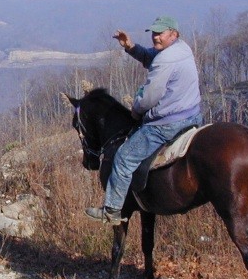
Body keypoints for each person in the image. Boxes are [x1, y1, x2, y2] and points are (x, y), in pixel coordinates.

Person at [85, 16, 202, 224]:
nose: (156, 37)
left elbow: (150, 97)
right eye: (154, 33)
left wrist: (136, 111)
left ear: (173, 34)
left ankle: (111, 210)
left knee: (123, 158)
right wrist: (130, 47)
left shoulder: (166, 59)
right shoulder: (182, 49)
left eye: (160, 33)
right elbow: (151, 57)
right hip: (192, 115)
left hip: (166, 123)